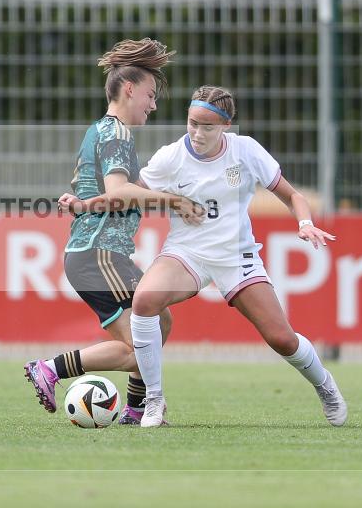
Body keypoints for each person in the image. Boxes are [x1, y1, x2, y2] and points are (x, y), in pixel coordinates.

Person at [73, 85, 347, 428]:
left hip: (236, 256)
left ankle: (325, 386)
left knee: (282, 338)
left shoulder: (245, 151)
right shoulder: (171, 157)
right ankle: (154, 400)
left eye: (208, 127)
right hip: (186, 253)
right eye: (192, 123)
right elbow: (125, 195)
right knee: (144, 301)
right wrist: (85, 204)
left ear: (226, 127)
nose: (197, 133)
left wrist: (305, 223)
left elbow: (293, 196)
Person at [24, 38, 204, 425]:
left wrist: (81, 203)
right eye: (150, 95)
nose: (153, 105)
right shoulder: (118, 133)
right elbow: (119, 193)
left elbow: (110, 192)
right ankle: (51, 369)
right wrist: (174, 200)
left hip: (98, 252)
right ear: (129, 89)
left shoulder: (102, 131)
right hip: (98, 252)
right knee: (140, 348)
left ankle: (136, 408)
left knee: (159, 321)